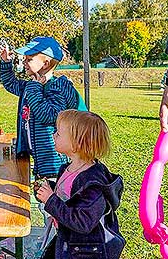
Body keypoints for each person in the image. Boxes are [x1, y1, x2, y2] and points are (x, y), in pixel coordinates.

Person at [36, 109, 125, 259]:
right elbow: (67, 196)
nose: (53, 135)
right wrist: (48, 190)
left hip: (86, 250)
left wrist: (50, 200)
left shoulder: (93, 183)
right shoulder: (67, 169)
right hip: (67, 238)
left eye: (58, 133)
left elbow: (83, 222)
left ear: (76, 145)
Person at [0, 36, 80, 183]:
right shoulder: (30, 86)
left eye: (29, 59)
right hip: (39, 156)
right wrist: (6, 62)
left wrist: (35, 88)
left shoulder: (58, 87)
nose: (24, 63)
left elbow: (47, 115)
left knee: (52, 194)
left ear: (45, 63)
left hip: (54, 160)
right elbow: (10, 83)